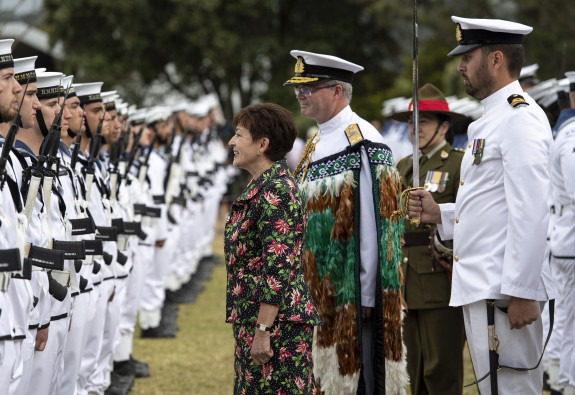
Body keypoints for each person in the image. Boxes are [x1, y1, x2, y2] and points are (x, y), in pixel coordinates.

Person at [407, 16, 555, 394]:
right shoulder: (490, 122)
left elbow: (530, 210)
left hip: (506, 293)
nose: (460, 66)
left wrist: (522, 291)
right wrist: (441, 213)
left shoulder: (520, 119)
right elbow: (492, 206)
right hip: (486, 286)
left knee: (513, 391)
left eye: (467, 56)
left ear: (495, 59)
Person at [284, 50, 407, 394]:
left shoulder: (362, 141)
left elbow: (375, 224)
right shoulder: (317, 139)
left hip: (350, 293)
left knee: (356, 379)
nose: (300, 94)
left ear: (337, 91)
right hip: (319, 291)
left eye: (309, 87)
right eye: (298, 88)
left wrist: (367, 296)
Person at [225, 102, 320, 394]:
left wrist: (263, 331)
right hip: (260, 321)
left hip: (277, 328)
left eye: (239, 135)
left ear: (262, 144)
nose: (232, 142)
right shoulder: (262, 186)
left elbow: (277, 267)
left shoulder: (277, 190)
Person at [392, 83, 466, 395]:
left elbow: (466, 220)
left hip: (440, 279)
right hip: (406, 281)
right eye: (411, 122)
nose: (414, 128)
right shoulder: (404, 165)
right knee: (414, 369)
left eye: (423, 122)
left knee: (441, 370)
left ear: (444, 126)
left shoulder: (458, 163)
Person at [544, 71, 575, 395]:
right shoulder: (572, 137)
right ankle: (565, 381)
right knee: (568, 318)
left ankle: (559, 376)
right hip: (569, 238)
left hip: (565, 237)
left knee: (565, 315)